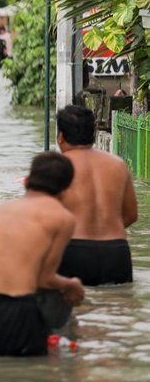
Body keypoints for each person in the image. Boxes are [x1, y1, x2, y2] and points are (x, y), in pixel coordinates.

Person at [0, 152, 85, 356]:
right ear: (66, 190)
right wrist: (72, 285)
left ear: (27, 182)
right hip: (15, 311)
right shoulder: (62, 217)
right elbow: (44, 279)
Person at [56, 105, 138, 286]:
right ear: (93, 134)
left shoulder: (57, 167)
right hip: (116, 252)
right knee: (119, 309)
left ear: (60, 137)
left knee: (77, 310)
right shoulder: (118, 165)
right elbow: (132, 215)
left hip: (74, 250)